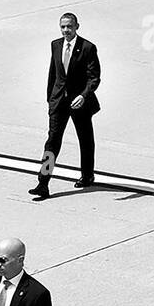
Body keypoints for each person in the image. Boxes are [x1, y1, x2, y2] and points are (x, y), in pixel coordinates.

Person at [29, 13, 101, 199]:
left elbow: (94, 78)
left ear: (77, 26)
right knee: (52, 142)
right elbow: (53, 74)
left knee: (85, 140)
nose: (66, 31)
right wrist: (50, 100)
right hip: (59, 102)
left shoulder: (88, 47)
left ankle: (87, 175)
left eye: (69, 27)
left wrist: (84, 96)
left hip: (80, 103)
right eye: (63, 27)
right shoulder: (56, 45)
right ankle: (43, 183)